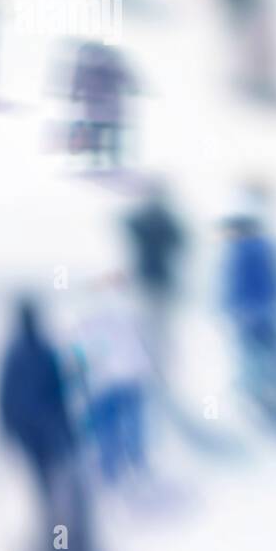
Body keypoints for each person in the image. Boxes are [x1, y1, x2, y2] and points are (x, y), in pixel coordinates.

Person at [0, 298, 94, 551]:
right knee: (53, 485)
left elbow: (9, 397)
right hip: (41, 434)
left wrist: (6, 427)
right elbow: (58, 391)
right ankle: (60, 540)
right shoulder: (32, 353)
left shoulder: (22, 354)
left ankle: (61, 539)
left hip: (40, 434)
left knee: (52, 486)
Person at [75, 277, 151, 485]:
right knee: (130, 427)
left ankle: (114, 469)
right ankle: (134, 466)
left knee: (108, 430)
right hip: (127, 380)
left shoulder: (90, 317)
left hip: (105, 384)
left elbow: (83, 354)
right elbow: (139, 346)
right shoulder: (128, 313)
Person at [222, 212, 276, 393]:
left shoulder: (242, 250)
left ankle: (257, 384)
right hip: (268, 307)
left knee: (253, 349)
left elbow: (237, 282)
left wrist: (231, 306)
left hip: (250, 308)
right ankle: (273, 381)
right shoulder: (267, 247)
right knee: (269, 346)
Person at [124, 183, 187, 370]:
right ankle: (159, 365)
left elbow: (129, 223)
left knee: (152, 327)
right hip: (159, 279)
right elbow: (181, 241)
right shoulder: (165, 221)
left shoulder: (146, 221)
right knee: (159, 328)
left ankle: (156, 365)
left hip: (150, 279)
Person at [70, 41, 134, 169]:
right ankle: (105, 159)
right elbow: (123, 77)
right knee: (104, 133)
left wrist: (75, 93)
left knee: (100, 132)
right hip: (104, 105)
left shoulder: (87, 62)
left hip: (100, 105)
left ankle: (101, 159)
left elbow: (78, 80)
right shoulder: (110, 60)